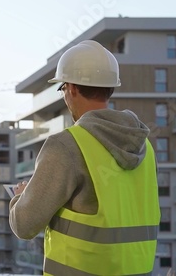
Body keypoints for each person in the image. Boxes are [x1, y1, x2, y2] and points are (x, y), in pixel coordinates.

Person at [9, 40, 160, 275]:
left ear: (71, 88)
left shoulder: (65, 146)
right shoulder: (144, 146)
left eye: (62, 90)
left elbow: (25, 225)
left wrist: (19, 199)